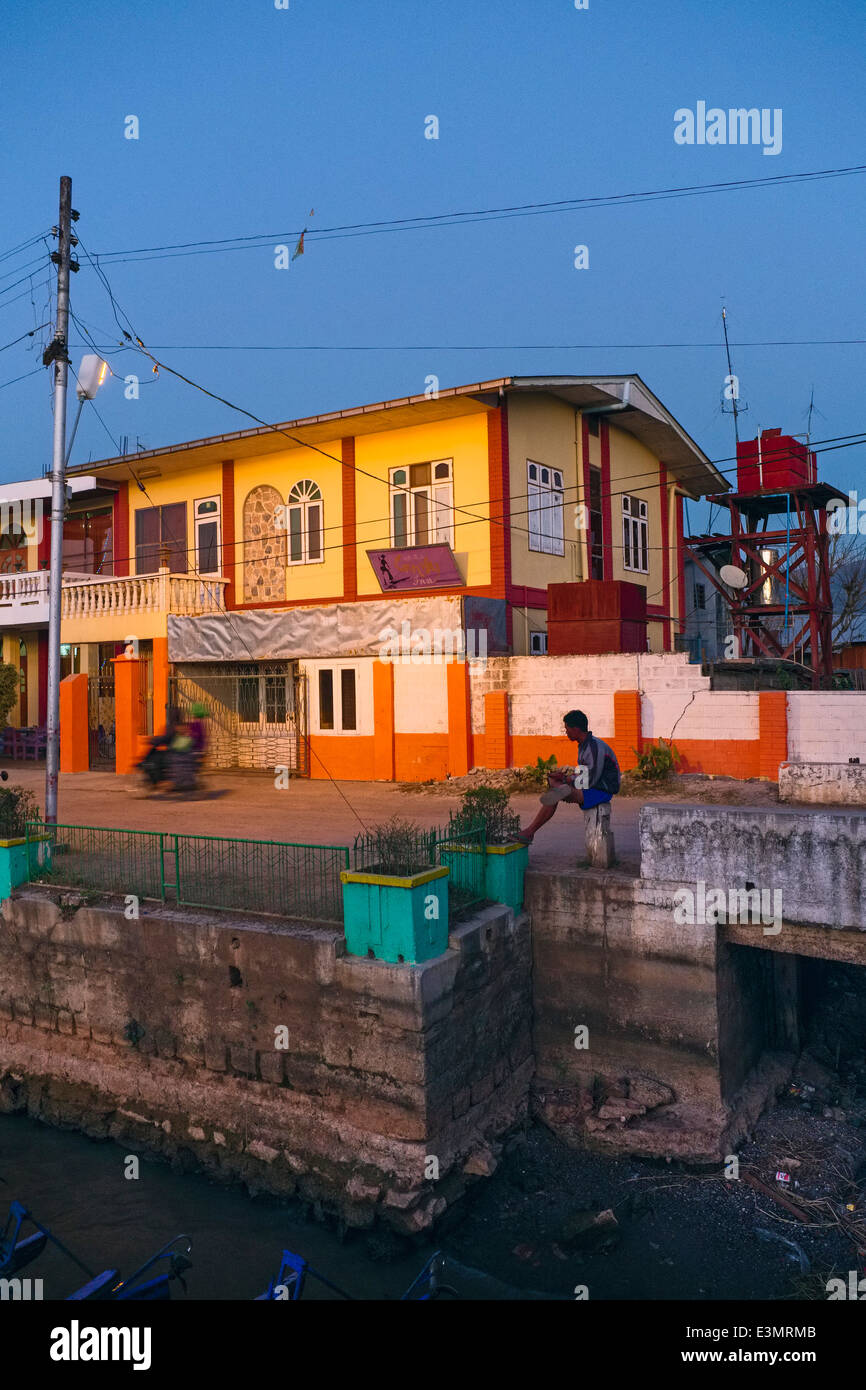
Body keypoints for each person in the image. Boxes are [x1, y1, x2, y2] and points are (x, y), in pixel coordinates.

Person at [519, 709, 620, 844]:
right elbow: (585, 774)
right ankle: (530, 831)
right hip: (593, 786)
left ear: (576, 729)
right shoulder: (585, 745)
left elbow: (589, 780)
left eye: (567, 729)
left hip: (602, 791)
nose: (566, 732)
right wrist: (564, 778)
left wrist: (566, 780)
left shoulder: (593, 747)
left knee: (557, 793)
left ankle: (530, 832)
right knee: (558, 790)